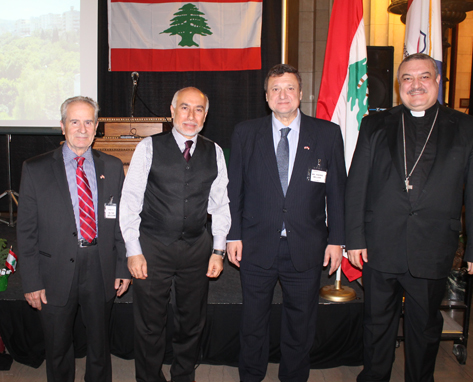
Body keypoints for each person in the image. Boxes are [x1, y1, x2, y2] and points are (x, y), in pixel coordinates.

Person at [346, 53, 473, 382]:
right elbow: (357, 185)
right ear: (399, 85)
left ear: (437, 81)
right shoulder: (375, 123)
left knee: (425, 328)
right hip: (379, 245)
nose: (416, 85)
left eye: (424, 77)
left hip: (432, 246)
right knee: (375, 325)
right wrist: (354, 238)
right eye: (408, 79)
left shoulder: (469, 128)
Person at [227, 64, 347, 382]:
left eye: (289, 88)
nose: (283, 95)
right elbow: (233, 189)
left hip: (306, 247)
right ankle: (250, 377)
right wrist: (232, 235)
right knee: (253, 323)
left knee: (301, 323)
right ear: (266, 97)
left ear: (301, 94)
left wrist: (337, 239)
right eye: (276, 89)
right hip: (255, 246)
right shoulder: (245, 133)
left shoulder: (327, 134)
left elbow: (337, 193)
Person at [120, 87, 230, 382]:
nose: (191, 115)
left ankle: (183, 375)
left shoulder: (215, 152)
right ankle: (148, 378)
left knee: (191, 322)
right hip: (153, 247)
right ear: (171, 111)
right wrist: (133, 249)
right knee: (149, 324)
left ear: (205, 116)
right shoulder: (148, 147)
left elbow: (220, 205)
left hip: (197, 248)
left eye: (198, 109)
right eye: (184, 107)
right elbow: (130, 200)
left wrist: (218, 251)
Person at [16, 96, 131, 382]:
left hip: (100, 267)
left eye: (89, 121)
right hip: (53, 271)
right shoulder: (35, 168)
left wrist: (122, 268)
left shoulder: (113, 167)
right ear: (63, 127)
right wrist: (31, 281)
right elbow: (26, 231)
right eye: (75, 121)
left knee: (99, 347)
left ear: (97, 126)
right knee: (57, 348)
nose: (82, 128)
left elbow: (120, 222)